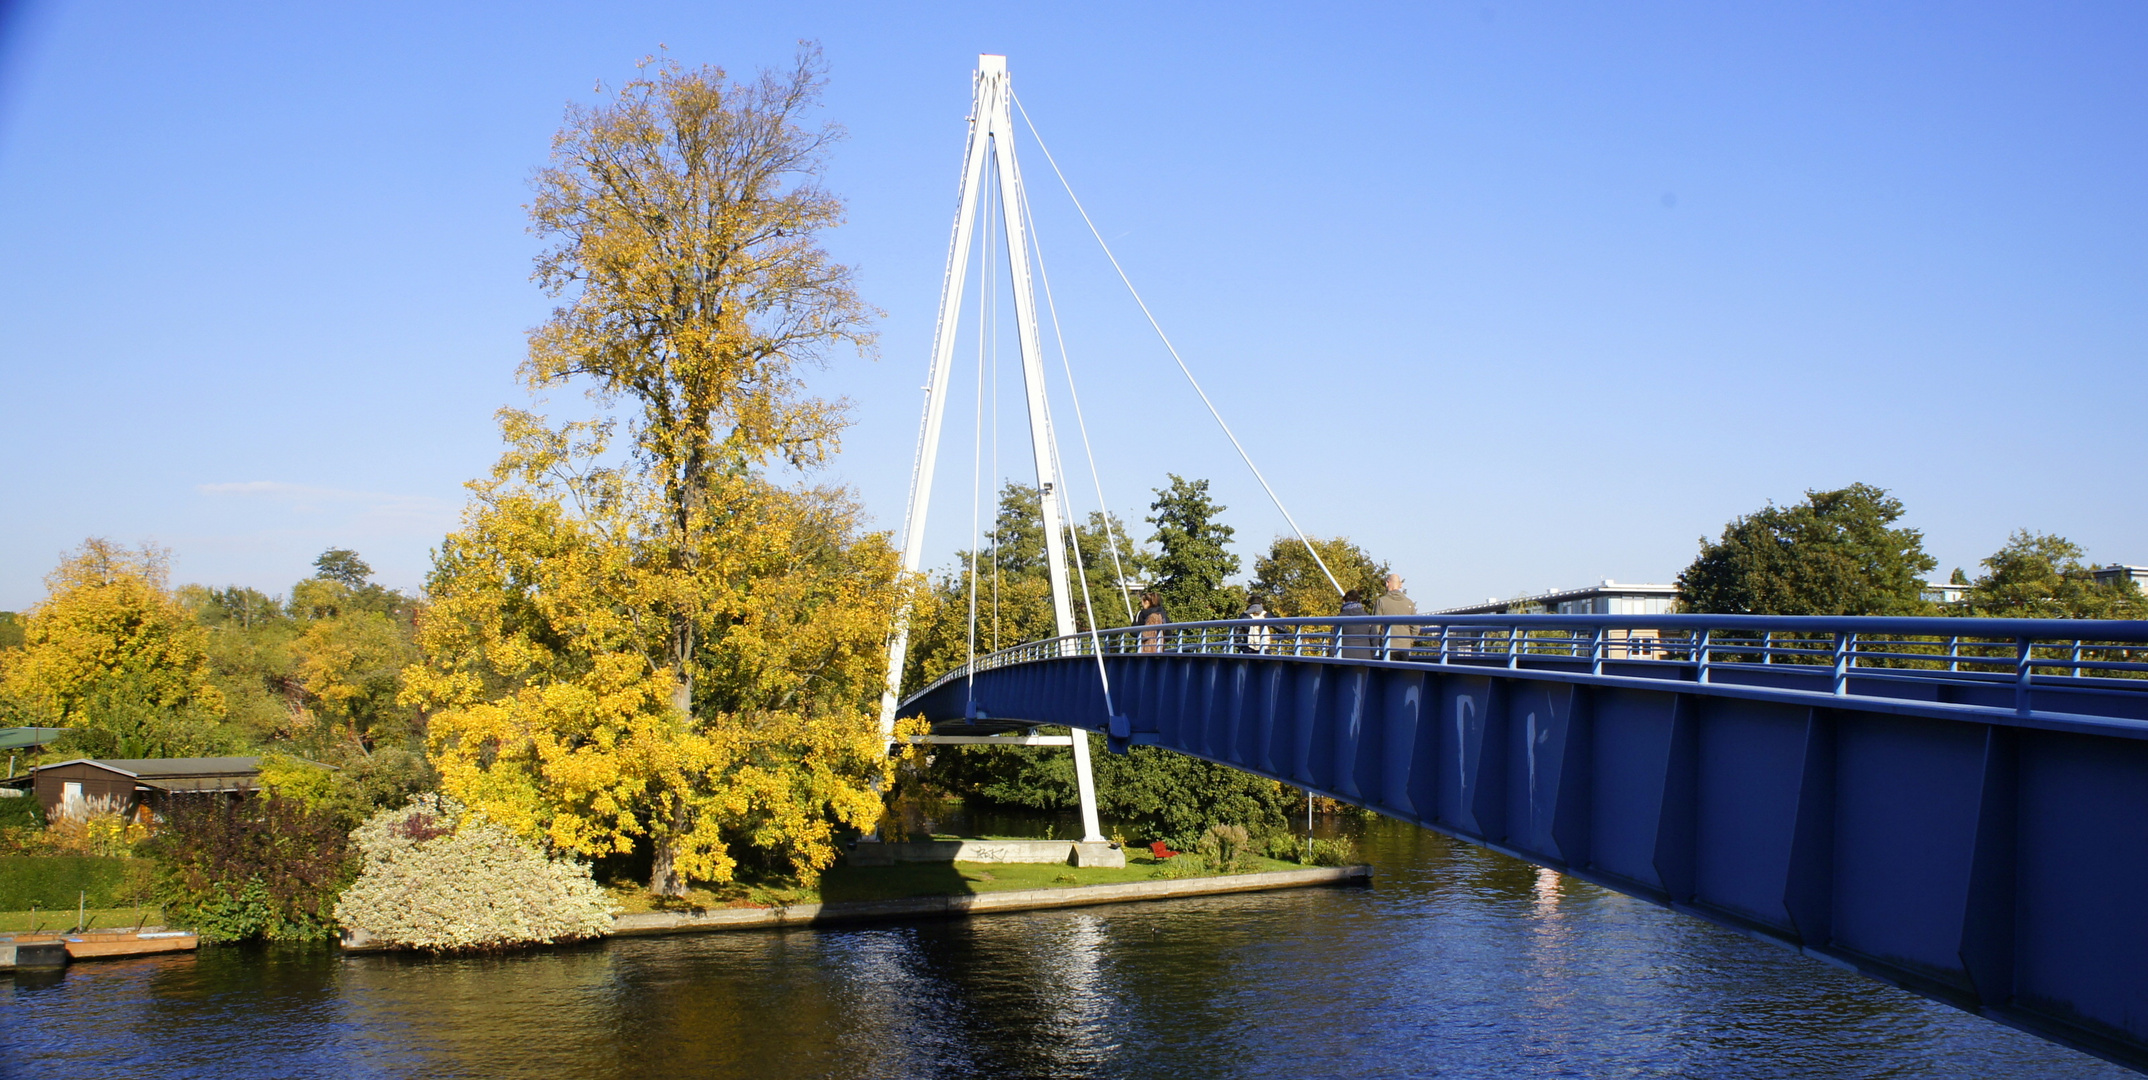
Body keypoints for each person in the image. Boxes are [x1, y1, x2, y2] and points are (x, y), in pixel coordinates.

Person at [1375, 573, 1417, 660]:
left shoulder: (1381, 602)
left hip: (1387, 646)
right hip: (1404, 647)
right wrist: (1409, 641)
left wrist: (1378, 642)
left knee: (1387, 673)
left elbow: (1376, 627)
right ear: (1400, 585)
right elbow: (1416, 627)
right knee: (1403, 673)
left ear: (1387, 583)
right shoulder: (1409, 603)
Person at [1338, 589, 1373, 659]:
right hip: (1365, 656)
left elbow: (1333, 639)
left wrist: (1333, 657)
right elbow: (1374, 638)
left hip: (1344, 657)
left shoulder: (1339, 618)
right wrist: (1371, 654)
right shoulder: (1368, 618)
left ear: (1345, 601)